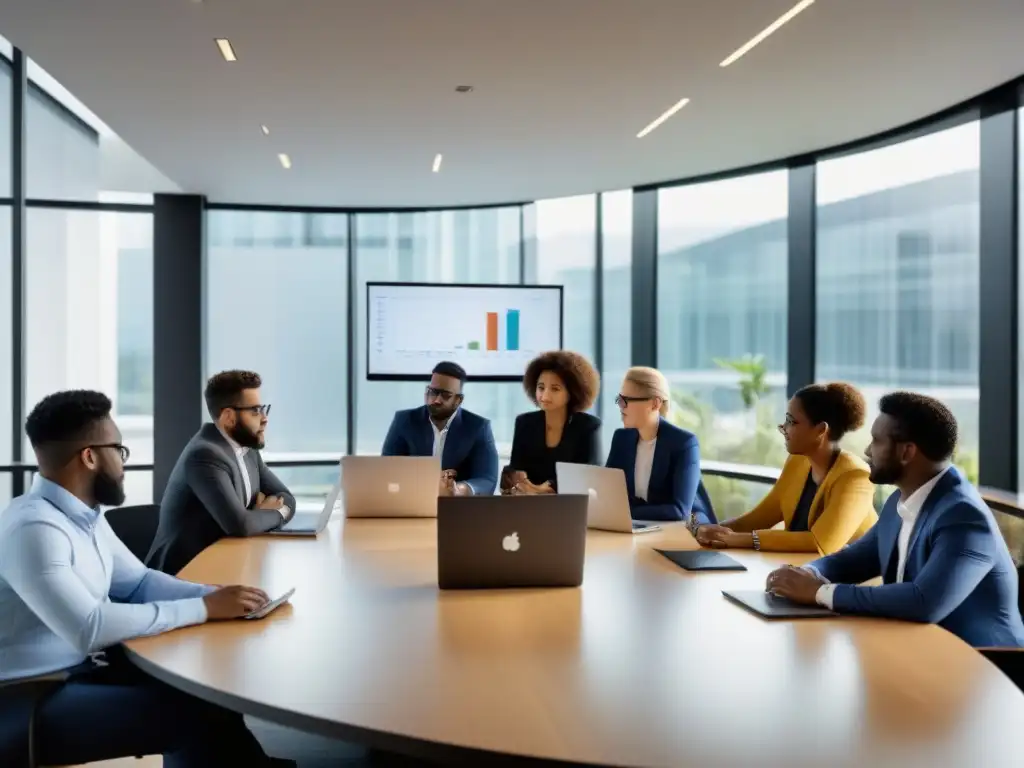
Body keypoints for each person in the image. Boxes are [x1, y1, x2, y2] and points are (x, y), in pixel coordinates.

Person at [0, 390, 291, 767]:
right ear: (90, 456)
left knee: (207, 689)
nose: (123, 464)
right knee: (191, 713)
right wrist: (203, 607)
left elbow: (137, 583)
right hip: (28, 696)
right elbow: (88, 627)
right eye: (118, 451)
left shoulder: (84, 516)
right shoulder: (34, 528)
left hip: (80, 670)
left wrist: (220, 596)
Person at [767, 392, 1024, 648]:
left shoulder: (963, 516)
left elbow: (923, 601)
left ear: (906, 452)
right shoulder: (899, 502)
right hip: (919, 649)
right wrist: (807, 573)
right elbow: (853, 559)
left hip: (986, 666)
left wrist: (818, 592)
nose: (867, 451)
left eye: (876, 441)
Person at [694, 382, 877, 554]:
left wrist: (736, 540)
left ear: (821, 430)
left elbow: (820, 542)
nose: (783, 427)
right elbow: (761, 517)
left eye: (791, 421)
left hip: (850, 582)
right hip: (799, 572)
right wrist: (712, 530)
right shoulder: (798, 462)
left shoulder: (855, 476)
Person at [147, 370, 297, 574]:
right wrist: (275, 513)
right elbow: (240, 525)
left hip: (226, 564)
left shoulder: (248, 450)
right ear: (228, 417)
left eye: (263, 409)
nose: (264, 419)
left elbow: (288, 498)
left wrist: (259, 517)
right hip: (183, 575)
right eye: (255, 411)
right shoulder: (205, 455)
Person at [604, 366, 715, 524]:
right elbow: (607, 491)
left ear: (655, 404)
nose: (621, 407)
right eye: (619, 400)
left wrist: (626, 511)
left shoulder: (684, 443)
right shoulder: (622, 438)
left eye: (626, 401)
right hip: (639, 526)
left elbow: (679, 510)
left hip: (684, 532)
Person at [381, 361, 499, 496]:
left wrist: (458, 489)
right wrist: (430, 482)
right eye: (433, 392)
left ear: (458, 400)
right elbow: (388, 469)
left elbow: (487, 479)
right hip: (412, 500)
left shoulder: (478, 427)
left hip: (457, 507)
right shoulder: (404, 421)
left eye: (445, 395)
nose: (436, 400)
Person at [503, 350, 601, 495]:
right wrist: (519, 480)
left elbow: (588, 474)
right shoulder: (525, 422)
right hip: (527, 502)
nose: (545, 395)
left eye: (555, 389)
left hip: (569, 504)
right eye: (541, 387)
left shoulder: (588, 426)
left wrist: (547, 488)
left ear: (572, 392)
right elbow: (516, 467)